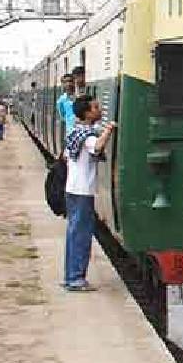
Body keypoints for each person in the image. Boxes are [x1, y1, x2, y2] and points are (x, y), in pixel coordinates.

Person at [63, 95, 116, 292]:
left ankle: (71, 275)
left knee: (73, 234)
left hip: (73, 189)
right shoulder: (86, 135)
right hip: (82, 191)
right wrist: (109, 130)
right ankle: (76, 278)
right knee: (81, 236)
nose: (99, 109)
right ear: (86, 113)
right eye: (95, 107)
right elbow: (97, 146)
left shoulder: (76, 132)